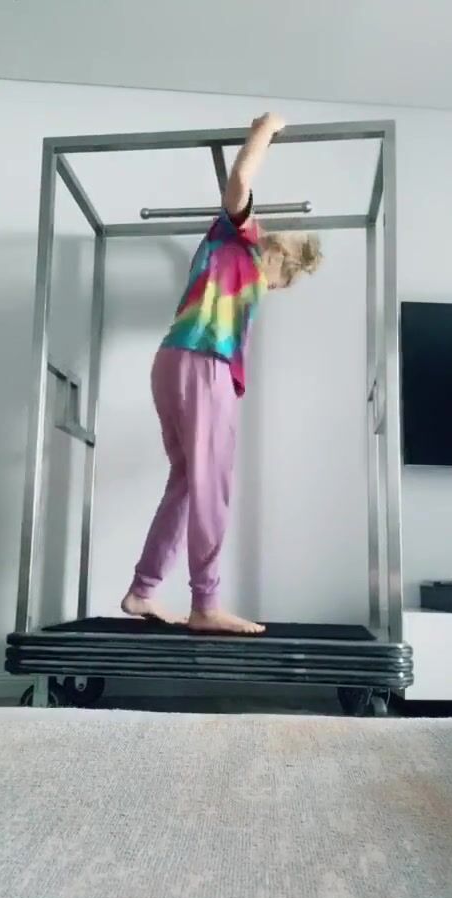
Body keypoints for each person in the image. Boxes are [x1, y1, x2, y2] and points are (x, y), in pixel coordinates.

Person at [121, 113, 322, 633]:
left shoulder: (230, 252)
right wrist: (266, 129)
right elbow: (239, 180)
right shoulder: (244, 236)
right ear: (282, 256)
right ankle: (205, 605)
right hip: (201, 362)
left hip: (175, 360)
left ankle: (143, 590)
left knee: (188, 483)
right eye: (285, 279)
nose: (275, 288)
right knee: (212, 486)